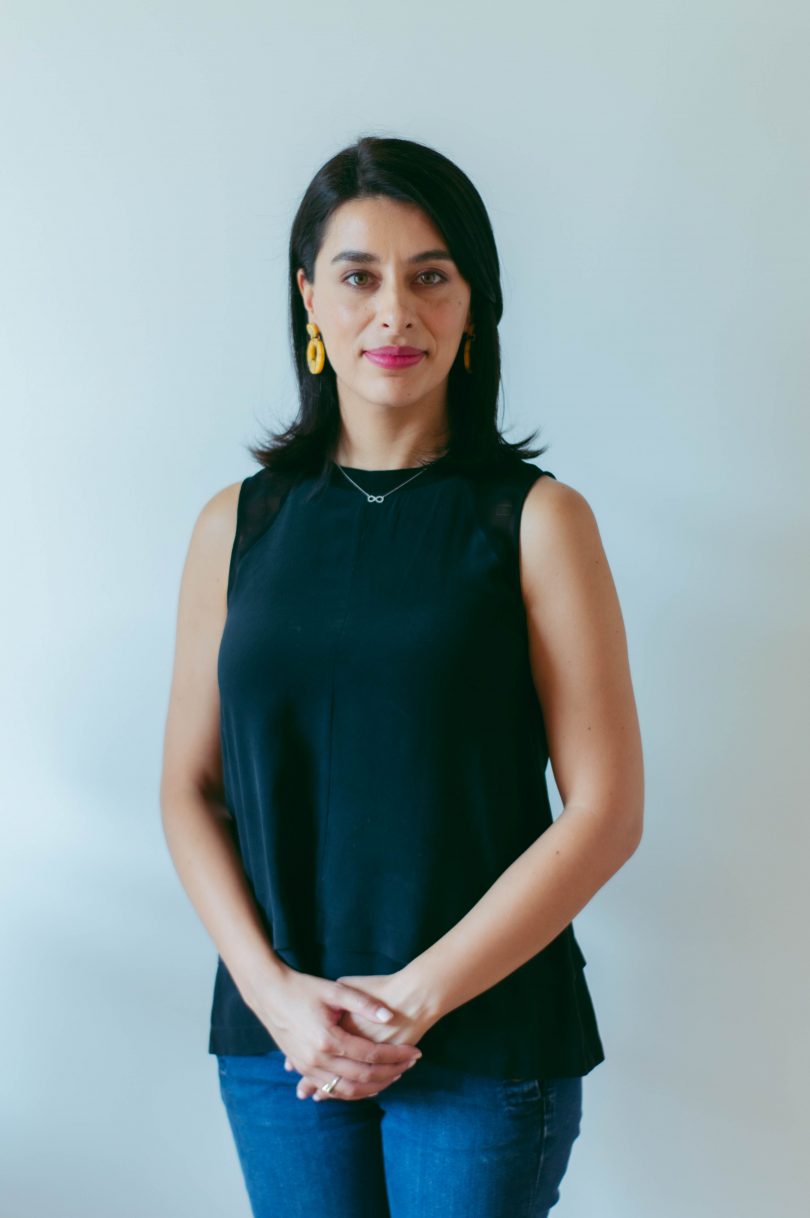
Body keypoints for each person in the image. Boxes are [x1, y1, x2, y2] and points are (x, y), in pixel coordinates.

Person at [159, 134, 644, 1218]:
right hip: (280, 1044)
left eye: (431, 276)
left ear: (474, 303)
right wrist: (272, 994)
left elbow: (606, 812)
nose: (395, 312)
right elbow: (188, 790)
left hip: (482, 1039)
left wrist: (413, 1001)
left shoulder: (537, 521)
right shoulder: (236, 526)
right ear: (308, 298)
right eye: (358, 276)